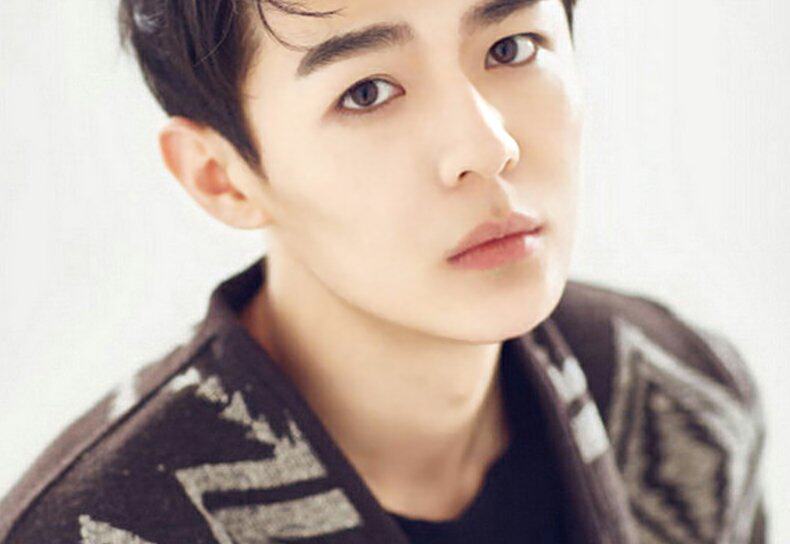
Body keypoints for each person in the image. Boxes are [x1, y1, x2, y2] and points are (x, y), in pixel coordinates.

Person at [0, 0, 768, 542]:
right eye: (367, 93)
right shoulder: (100, 526)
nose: (487, 146)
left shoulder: (681, 395)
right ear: (220, 176)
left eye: (511, 48)